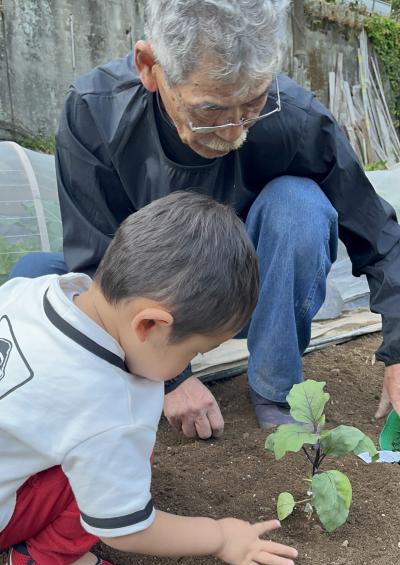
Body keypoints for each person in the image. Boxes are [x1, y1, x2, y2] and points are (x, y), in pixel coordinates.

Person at [11, 0, 400, 435]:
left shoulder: (293, 116)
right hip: (144, 307)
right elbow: (93, 253)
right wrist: (171, 379)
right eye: (210, 111)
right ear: (149, 67)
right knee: (34, 277)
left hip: (242, 298)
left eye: (252, 104)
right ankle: (100, 396)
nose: (234, 133)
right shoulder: (97, 113)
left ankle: (274, 389)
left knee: (299, 205)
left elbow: (379, 236)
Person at [0, 192, 298, 565]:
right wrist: (221, 536)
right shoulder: (110, 409)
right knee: (126, 456)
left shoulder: (31, 291)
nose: (185, 367)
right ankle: (40, 563)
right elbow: (126, 529)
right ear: (150, 325)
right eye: (192, 353)